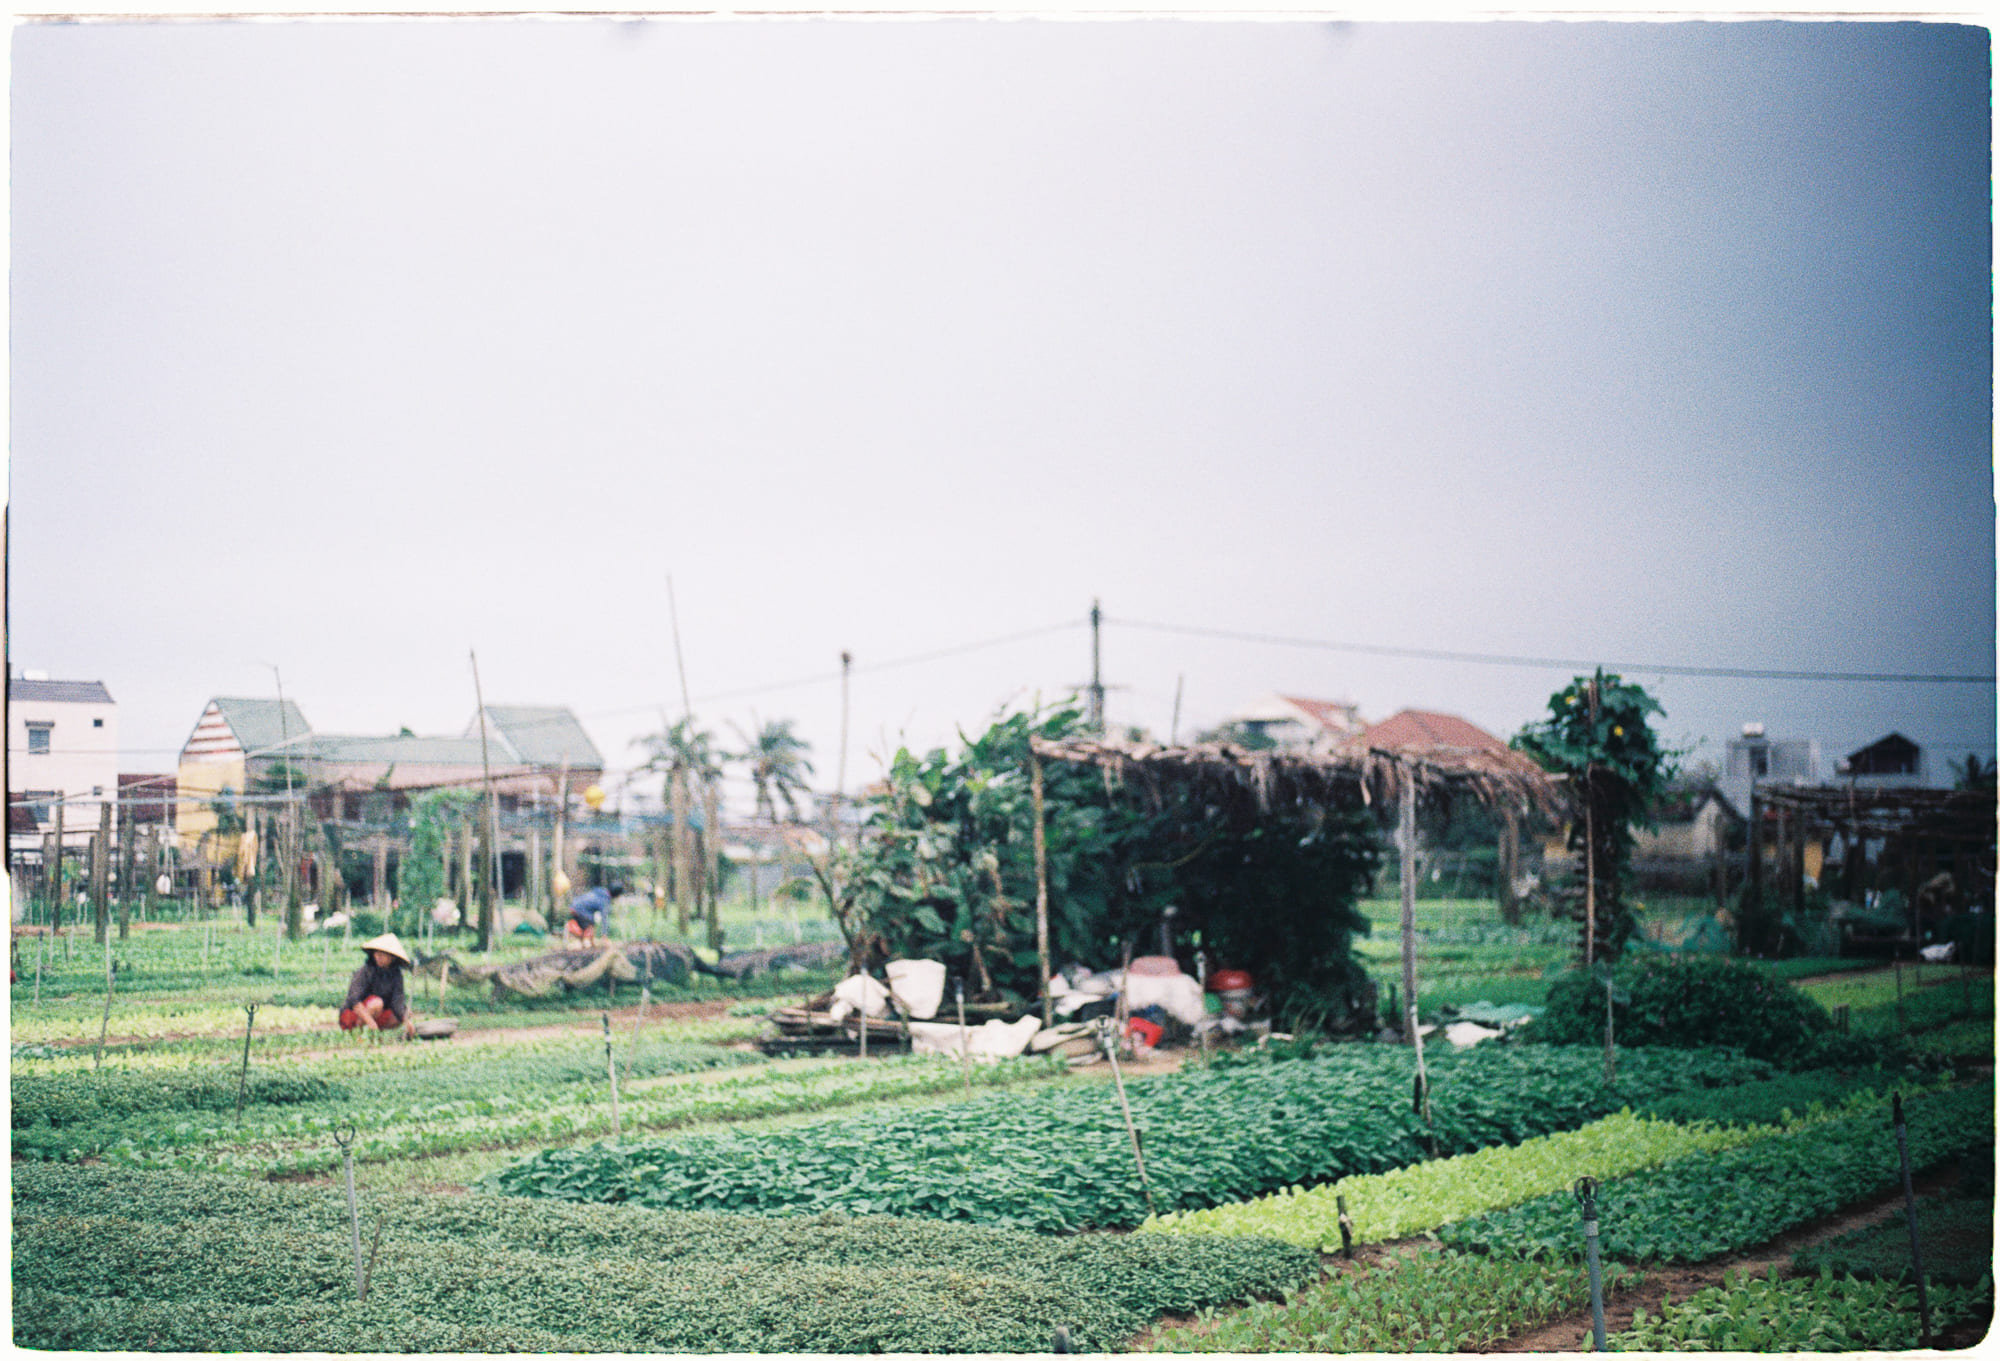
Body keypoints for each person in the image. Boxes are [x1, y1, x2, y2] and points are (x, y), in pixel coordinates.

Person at [341, 933, 415, 1038]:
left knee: (404, 1014)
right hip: (353, 1015)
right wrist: (371, 1023)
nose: (378, 956)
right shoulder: (365, 971)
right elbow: (354, 1000)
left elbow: (397, 1002)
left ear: (392, 957)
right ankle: (359, 1034)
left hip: (376, 1014)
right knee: (377, 1003)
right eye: (376, 953)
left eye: (382, 954)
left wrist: (407, 1021)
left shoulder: (396, 975)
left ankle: (373, 1034)